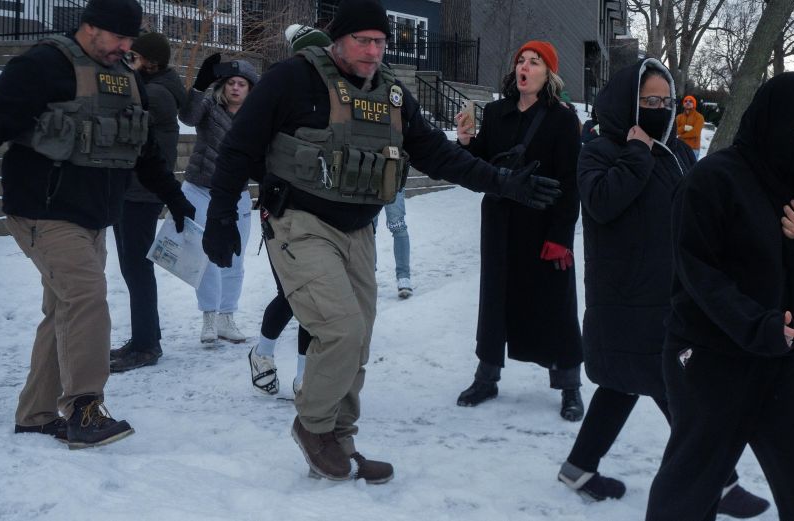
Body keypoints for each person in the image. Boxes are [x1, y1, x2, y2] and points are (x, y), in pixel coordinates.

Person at [201, 0, 560, 484]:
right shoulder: (294, 79)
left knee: (359, 338)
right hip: (299, 222)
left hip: (358, 230)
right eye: (362, 41)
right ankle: (313, 428)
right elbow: (239, 145)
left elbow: (435, 153)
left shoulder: (390, 93)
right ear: (338, 40)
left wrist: (501, 181)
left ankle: (340, 441)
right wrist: (221, 213)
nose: (373, 51)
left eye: (380, 41)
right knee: (340, 328)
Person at [557, 58, 769, 518]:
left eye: (664, 101)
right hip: (627, 294)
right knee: (674, 389)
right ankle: (721, 482)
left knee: (624, 382)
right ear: (626, 103)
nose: (657, 108)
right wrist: (637, 152)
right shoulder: (600, 148)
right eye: (647, 100)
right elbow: (601, 203)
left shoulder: (677, 150)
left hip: (670, 290)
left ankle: (579, 466)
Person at [645, 73, 794, 521]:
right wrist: (758, 324)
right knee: (690, 491)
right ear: (772, 122)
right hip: (710, 357)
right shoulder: (710, 181)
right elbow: (699, 276)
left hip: (785, 355)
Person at [0, 0, 194, 448]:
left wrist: (174, 198)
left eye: (130, 40)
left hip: (94, 217)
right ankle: (85, 406)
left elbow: (143, 149)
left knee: (64, 309)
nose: (125, 47)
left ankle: (36, 415)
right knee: (86, 297)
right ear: (89, 27)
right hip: (43, 212)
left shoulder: (126, 77)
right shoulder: (44, 65)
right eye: (118, 37)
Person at [454, 40, 584, 422]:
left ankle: (569, 385)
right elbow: (477, 167)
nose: (524, 67)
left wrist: (561, 237)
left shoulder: (562, 119)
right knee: (494, 300)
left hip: (544, 226)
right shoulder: (495, 113)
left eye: (534, 62)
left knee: (556, 303)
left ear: (548, 75)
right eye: (520, 61)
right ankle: (487, 377)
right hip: (500, 224)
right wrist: (465, 142)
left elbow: (570, 182)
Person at [248, 24, 331, 396]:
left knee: (313, 297)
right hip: (282, 210)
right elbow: (248, 148)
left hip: (325, 213)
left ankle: (303, 377)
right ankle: (263, 353)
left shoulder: (336, 95)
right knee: (294, 294)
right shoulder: (279, 90)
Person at [110, 32, 188, 373]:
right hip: (135, 189)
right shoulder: (156, 87)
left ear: (151, 63)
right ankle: (145, 337)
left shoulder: (154, 93)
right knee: (134, 268)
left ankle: (146, 345)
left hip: (140, 192)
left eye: (134, 58)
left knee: (137, 268)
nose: (129, 62)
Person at [179, 54, 259, 344]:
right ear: (223, 86)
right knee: (207, 255)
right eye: (231, 83)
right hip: (200, 189)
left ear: (250, 89)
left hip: (237, 194)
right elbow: (187, 116)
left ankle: (227, 317)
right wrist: (199, 86)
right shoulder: (209, 107)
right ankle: (209, 317)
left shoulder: (256, 116)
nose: (236, 88)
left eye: (242, 84)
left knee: (235, 258)